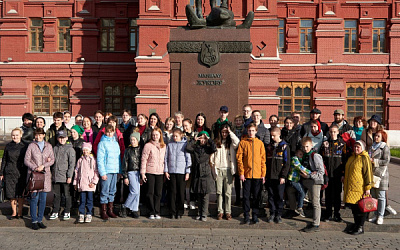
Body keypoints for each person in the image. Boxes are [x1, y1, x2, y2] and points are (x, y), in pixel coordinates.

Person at [24, 128, 55, 230]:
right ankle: (34, 220)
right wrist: (35, 167)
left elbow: (52, 159)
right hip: (34, 176)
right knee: (34, 199)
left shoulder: (48, 146)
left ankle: (40, 219)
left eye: (40, 135)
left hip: (45, 176)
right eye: (36, 135)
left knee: (43, 200)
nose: (38, 137)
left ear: (43, 135)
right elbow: (26, 160)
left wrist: (44, 165)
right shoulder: (31, 146)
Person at [236, 123, 266, 224]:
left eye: (253, 131)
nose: (251, 132)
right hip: (247, 175)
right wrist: (241, 173)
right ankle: (246, 215)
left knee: (256, 196)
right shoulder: (243, 143)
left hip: (257, 174)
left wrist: (263, 174)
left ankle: (255, 215)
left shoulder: (260, 143)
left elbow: (263, 160)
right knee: (246, 196)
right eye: (249, 131)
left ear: (256, 131)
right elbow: (239, 159)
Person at [343, 140, 373, 235]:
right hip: (351, 187)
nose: (356, 148)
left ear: (362, 148)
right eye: (355, 146)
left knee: (361, 207)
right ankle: (356, 224)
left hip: (360, 187)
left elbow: (368, 173)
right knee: (354, 207)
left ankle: (360, 226)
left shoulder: (364, 158)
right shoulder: (352, 157)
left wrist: (368, 187)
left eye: (358, 147)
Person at [186, 131, 217, 222]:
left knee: (205, 195)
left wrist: (209, 139)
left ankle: (204, 214)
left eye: (204, 138)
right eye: (201, 138)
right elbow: (187, 148)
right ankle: (200, 213)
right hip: (197, 173)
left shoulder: (208, 148)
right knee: (198, 195)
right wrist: (193, 140)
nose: (202, 140)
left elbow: (214, 148)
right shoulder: (195, 148)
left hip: (206, 173)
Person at [210, 124, 239, 220]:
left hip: (228, 169)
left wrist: (230, 132)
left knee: (228, 192)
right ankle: (220, 211)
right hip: (218, 169)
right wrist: (213, 166)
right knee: (219, 192)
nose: (224, 134)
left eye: (226, 132)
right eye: (223, 132)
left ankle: (228, 211)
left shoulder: (231, 143)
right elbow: (212, 156)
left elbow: (237, 142)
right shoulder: (216, 142)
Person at [320, 125, 347, 222]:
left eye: (334, 132)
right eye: (331, 132)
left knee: (337, 194)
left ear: (338, 132)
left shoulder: (342, 144)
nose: (332, 134)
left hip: (338, 174)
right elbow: (322, 159)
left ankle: (336, 213)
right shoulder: (325, 144)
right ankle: (328, 213)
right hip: (327, 174)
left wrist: (343, 174)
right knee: (327, 194)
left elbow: (345, 160)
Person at [0, 128, 27, 219]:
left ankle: (20, 212)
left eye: (16, 135)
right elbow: (4, 160)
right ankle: (14, 212)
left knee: (20, 193)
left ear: (21, 135)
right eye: (13, 135)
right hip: (9, 172)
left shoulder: (25, 146)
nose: (14, 137)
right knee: (11, 193)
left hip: (21, 172)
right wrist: (1, 173)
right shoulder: (8, 146)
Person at [164, 128, 191, 219]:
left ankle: (180, 211)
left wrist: (187, 171)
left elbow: (188, 159)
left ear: (181, 136)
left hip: (181, 171)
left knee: (180, 192)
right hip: (172, 171)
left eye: (176, 136)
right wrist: (166, 170)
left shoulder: (185, 145)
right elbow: (166, 158)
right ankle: (172, 211)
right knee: (172, 192)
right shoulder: (170, 145)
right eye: (173, 136)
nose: (175, 137)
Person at [49, 130, 76, 221]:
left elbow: (72, 164)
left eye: (63, 138)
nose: (62, 140)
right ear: (57, 138)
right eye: (60, 138)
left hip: (65, 176)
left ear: (66, 138)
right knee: (57, 195)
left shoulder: (70, 149)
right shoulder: (55, 148)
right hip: (56, 176)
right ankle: (55, 210)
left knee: (67, 195)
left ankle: (67, 211)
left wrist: (69, 176)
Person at [299, 137, 324, 233]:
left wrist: (308, 175)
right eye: (304, 147)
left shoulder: (315, 155)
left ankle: (316, 223)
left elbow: (320, 172)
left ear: (311, 146)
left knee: (315, 202)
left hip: (315, 181)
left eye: (307, 146)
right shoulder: (305, 155)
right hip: (307, 180)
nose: (305, 148)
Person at [265, 127, 290, 224]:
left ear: (279, 135)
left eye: (274, 135)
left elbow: (287, 163)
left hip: (280, 177)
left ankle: (279, 214)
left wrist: (283, 176)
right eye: (271, 135)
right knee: (271, 196)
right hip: (270, 176)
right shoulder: (269, 146)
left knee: (279, 196)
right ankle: (272, 213)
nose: (272, 137)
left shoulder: (284, 146)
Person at [141, 128, 166, 219]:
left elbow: (165, 160)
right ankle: (151, 211)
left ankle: (157, 211)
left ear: (160, 136)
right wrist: (143, 173)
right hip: (150, 171)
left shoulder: (164, 146)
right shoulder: (148, 145)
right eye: (153, 135)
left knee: (158, 193)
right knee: (150, 192)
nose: (155, 136)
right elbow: (144, 159)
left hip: (160, 172)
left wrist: (165, 171)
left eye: (157, 135)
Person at [97, 124, 121, 220]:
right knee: (104, 191)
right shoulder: (102, 143)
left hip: (115, 170)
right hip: (107, 170)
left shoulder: (115, 143)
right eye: (108, 132)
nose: (110, 133)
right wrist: (102, 172)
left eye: (112, 132)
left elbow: (118, 158)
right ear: (105, 132)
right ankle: (103, 211)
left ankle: (110, 210)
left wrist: (119, 170)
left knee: (112, 191)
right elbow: (100, 159)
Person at [368, 130, 390, 225]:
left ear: (382, 138)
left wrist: (374, 161)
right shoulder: (372, 146)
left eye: (378, 136)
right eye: (375, 136)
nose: (376, 138)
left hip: (381, 175)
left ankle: (381, 215)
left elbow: (386, 161)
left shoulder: (384, 147)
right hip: (372, 174)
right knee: (374, 196)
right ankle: (375, 214)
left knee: (381, 196)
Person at [73, 142, 99, 223]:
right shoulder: (80, 160)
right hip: (82, 183)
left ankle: (89, 213)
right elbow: (76, 171)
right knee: (82, 199)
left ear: (90, 151)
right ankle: (81, 214)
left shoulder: (93, 160)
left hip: (90, 184)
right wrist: (75, 182)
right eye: (84, 150)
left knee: (90, 200)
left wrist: (94, 182)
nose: (85, 152)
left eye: (87, 150)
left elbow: (96, 171)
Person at [121, 132, 142, 219]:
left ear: (138, 140)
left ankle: (134, 209)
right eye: (131, 140)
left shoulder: (141, 149)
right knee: (134, 191)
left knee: (138, 193)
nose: (132, 141)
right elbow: (124, 163)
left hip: (139, 172)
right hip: (131, 171)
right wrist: (125, 176)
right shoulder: (128, 150)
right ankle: (125, 206)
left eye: (134, 140)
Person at [287, 149, 309, 218]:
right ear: (296, 154)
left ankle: (298, 206)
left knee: (300, 191)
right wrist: (310, 172)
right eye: (300, 154)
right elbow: (300, 167)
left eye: (302, 155)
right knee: (302, 192)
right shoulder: (294, 159)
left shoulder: (297, 160)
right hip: (293, 179)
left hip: (296, 180)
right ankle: (299, 207)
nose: (301, 156)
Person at [182, 118, 197, 210]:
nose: (185, 128)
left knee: (193, 182)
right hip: (183, 161)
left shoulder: (195, 135)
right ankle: (183, 200)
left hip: (194, 160)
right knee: (184, 182)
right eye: (183, 126)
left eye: (186, 125)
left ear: (191, 125)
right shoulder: (182, 135)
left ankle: (192, 200)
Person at [232, 114, 245, 205]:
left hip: (244, 155)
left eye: (240, 120)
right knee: (236, 179)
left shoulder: (245, 131)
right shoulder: (233, 131)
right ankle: (237, 198)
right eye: (236, 121)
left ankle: (244, 197)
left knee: (244, 179)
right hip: (235, 154)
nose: (238, 122)